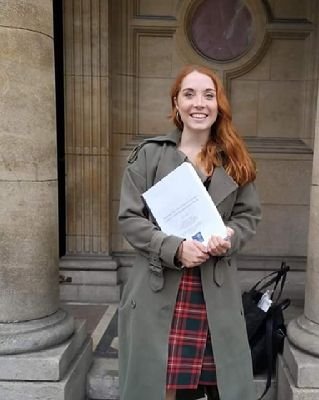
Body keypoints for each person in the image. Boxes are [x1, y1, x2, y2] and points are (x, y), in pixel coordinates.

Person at [118, 64, 261, 400]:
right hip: (160, 286)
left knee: (219, 386)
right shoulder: (149, 156)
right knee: (159, 384)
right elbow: (129, 219)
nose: (200, 103)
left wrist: (229, 236)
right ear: (176, 104)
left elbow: (248, 216)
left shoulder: (235, 159)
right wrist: (174, 248)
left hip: (215, 291)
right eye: (190, 94)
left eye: (209, 95)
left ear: (219, 105)